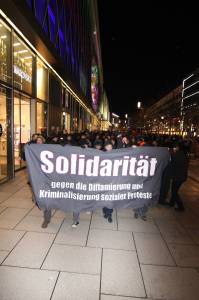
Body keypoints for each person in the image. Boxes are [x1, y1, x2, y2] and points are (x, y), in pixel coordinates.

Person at [167, 142, 189, 211]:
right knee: (175, 190)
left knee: (174, 191)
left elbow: (171, 162)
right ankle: (171, 203)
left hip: (177, 176)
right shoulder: (185, 155)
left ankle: (181, 206)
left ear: (178, 147)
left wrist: (173, 153)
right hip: (182, 175)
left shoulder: (176, 155)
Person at [102, 140, 114, 223]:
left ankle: (110, 214)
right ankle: (105, 211)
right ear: (105, 147)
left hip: (113, 180)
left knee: (111, 198)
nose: (109, 148)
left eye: (110, 146)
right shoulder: (102, 154)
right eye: (107, 146)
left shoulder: (115, 154)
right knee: (104, 197)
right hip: (104, 180)